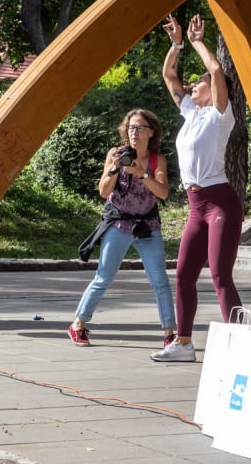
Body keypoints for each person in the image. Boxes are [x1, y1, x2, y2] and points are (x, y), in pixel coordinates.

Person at [150, 13, 243, 362]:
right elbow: (169, 75)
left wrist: (197, 42)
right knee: (184, 275)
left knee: (220, 275)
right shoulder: (191, 113)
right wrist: (176, 45)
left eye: (198, 83)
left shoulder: (221, 114)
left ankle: (241, 343)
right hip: (195, 206)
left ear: (214, 90)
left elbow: (216, 71)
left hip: (220, 203)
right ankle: (183, 343)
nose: (191, 86)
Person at [69, 109, 176, 348]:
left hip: (148, 226)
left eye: (139, 128)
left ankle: (169, 332)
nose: (134, 132)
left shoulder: (157, 159)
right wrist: (114, 169)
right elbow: (103, 191)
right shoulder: (115, 154)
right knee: (104, 276)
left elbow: (163, 192)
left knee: (160, 280)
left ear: (151, 132)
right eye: (130, 128)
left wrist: (142, 174)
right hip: (119, 224)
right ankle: (78, 324)